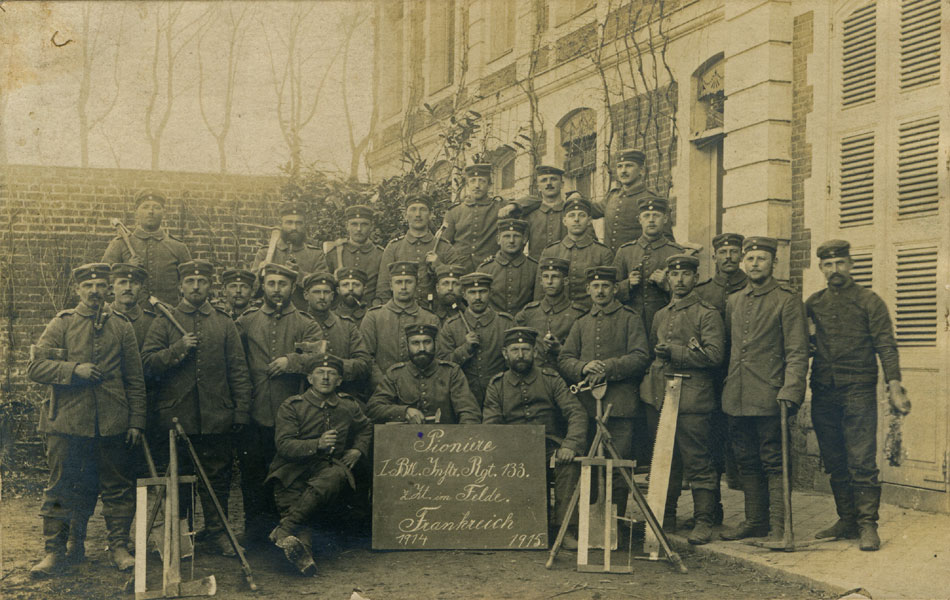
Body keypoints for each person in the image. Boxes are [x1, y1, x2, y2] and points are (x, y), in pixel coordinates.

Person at [28, 263, 146, 576]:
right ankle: (55, 551)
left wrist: (136, 421)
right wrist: (72, 369)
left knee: (117, 488)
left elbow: (135, 379)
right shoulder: (62, 323)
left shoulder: (121, 326)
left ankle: (118, 547)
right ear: (78, 290)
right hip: (66, 423)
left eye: (100, 287)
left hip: (112, 421)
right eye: (87, 287)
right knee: (61, 487)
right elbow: (35, 367)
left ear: (108, 290)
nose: (94, 292)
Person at [141, 260, 252, 556]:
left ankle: (218, 534)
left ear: (210, 286)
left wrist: (240, 411)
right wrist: (178, 349)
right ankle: (182, 537)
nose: (195, 286)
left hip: (216, 418)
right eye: (190, 281)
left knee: (217, 479)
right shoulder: (164, 321)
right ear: (180, 286)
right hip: (176, 418)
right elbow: (148, 365)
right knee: (179, 480)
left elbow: (238, 370)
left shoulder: (224, 322)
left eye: (202, 281)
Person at [806, 240, 910, 551]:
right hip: (823, 390)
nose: (834, 270)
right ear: (822, 268)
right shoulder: (813, 304)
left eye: (840, 263)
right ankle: (846, 520)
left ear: (850, 265)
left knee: (862, 459)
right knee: (834, 459)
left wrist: (894, 384)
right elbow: (802, 346)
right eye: (828, 265)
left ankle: (868, 525)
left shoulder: (870, 302)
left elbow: (886, 346)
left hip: (859, 390)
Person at [720, 237, 808, 543]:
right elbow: (731, 348)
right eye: (751, 258)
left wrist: (791, 389)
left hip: (772, 396)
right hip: (737, 396)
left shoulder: (787, 299)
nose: (755, 264)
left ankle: (778, 527)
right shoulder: (734, 300)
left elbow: (797, 350)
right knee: (746, 461)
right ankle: (755, 520)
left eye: (761, 258)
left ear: (774, 263)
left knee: (774, 461)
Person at [234, 262, 323, 544]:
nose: (276, 290)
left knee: (289, 474)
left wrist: (291, 361)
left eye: (282, 284)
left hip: (293, 413)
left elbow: (320, 357)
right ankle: (255, 530)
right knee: (253, 472)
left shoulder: (305, 323)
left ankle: (288, 530)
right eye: (271, 283)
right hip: (254, 409)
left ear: (292, 287)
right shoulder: (247, 321)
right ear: (263, 286)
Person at [639, 255, 725, 544]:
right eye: (674, 275)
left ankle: (704, 521)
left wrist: (676, 352)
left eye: (686, 274)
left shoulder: (707, 313)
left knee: (698, 460)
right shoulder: (662, 314)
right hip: (662, 395)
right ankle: (667, 515)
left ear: (695, 277)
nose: (679, 280)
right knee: (666, 458)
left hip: (693, 399)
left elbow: (714, 356)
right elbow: (654, 350)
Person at [267, 354, 372, 576]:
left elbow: (365, 427)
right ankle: (302, 555)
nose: (325, 378)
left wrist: (357, 449)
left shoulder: (348, 406)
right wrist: (318, 443)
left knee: (334, 475)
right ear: (309, 378)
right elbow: (283, 445)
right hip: (291, 471)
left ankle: (284, 529)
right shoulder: (292, 406)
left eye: (331, 373)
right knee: (298, 507)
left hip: (327, 470)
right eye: (320, 373)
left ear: (339, 381)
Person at [483, 327, 587, 549]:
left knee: (567, 466)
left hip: (549, 447)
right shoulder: (497, 385)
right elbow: (491, 425)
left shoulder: (551, 379)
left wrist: (570, 445)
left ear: (534, 352)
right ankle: (515, 528)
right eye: (515, 350)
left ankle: (565, 530)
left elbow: (576, 413)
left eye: (525, 349)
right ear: (505, 353)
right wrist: (503, 450)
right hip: (512, 448)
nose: (520, 355)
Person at [559, 266, 650, 519]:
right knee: (587, 467)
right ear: (588, 290)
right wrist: (583, 367)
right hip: (587, 408)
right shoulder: (581, 323)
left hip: (620, 407)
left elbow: (641, 356)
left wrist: (608, 368)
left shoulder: (629, 318)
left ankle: (615, 523)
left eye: (605, 286)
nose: (600, 291)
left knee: (617, 467)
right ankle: (587, 524)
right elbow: (565, 358)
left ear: (615, 289)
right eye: (595, 287)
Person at [694, 233, 747, 505]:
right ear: (714, 257)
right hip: (709, 379)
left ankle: (752, 513)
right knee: (709, 440)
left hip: (742, 376)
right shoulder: (702, 292)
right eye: (723, 251)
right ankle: (712, 509)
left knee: (743, 442)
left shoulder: (751, 287)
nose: (728, 257)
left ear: (742, 256)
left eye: (734, 251)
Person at [367, 324, 481, 425]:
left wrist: (463, 439)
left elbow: (470, 412)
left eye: (427, 342)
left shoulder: (451, 372)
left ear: (434, 344)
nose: (422, 348)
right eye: (415, 343)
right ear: (407, 346)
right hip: (405, 442)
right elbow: (373, 408)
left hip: (445, 443)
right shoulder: (395, 374)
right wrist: (404, 411)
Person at [102, 190, 191, 305]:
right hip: (129, 318)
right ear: (136, 212)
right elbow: (103, 282)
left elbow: (190, 285)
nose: (151, 211)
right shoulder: (119, 244)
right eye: (145, 207)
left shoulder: (178, 247)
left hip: (167, 318)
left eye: (156, 207)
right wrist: (126, 269)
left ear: (164, 212)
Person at [437, 272, 514, 405]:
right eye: (472, 292)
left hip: (501, 396)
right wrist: (465, 349)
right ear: (464, 295)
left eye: (482, 292)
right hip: (464, 397)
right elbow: (443, 365)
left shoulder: (506, 323)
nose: (478, 297)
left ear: (490, 293)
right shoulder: (451, 326)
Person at [361, 261, 440, 386]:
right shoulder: (373, 317)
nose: (403, 287)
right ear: (391, 285)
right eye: (398, 282)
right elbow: (366, 356)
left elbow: (436, 358)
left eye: (408, 282)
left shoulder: (430, 318)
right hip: (381, 387)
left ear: (416, 284)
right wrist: (383, 384)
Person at [613, 195, 684, 333]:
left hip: (666, 323)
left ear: (665, 219)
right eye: (646, 216)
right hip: (630, 323)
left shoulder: (676, 252)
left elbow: (688, 296)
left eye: (656, 215)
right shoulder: (625, 251)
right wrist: (627, 284)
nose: (651, 220)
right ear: (639, 220)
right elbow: (610, 290)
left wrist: (666, 285)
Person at [301, 272, 372, 403]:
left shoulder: (347, 326)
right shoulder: (298, 324)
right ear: (306, 295)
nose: (322, 297)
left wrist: (335, 367)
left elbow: (363, 364)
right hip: (305, 401)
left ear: (333, 296)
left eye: (326, 292)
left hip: (343, 399)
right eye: (316, 292)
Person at [536, 193, 613, 310]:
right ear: (564, 221)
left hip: (590, 314)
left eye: (581, 215)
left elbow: (608, 293)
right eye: (572, 215)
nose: (576, 219)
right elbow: (540, 291)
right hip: (558, 316)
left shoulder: (602, 252)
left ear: (589, 221)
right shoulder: (550, 251)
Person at [377, 196, 458, 304]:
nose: (418, 214)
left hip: (436, 312)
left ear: (431, 214)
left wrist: (439, 266)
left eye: (423, 209)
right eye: (413, 209)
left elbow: (458, 282)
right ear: (405, 215)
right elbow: (383, 287)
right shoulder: (394, 247)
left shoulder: (445, 248)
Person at [250, 201, 329, 310]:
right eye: (289, 222)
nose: (294, 227)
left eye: (299, 223)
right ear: (281, 224)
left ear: (304, 225)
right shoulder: (265, 253)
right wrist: (260, 274)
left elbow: (323, 289)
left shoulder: (315, 255)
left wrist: (299, 275)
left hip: (305, 315)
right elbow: (252, 292)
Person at [594, 148, 672, 253]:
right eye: (619, 166)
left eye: (629, 165)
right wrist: (574, 196)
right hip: (610, 264)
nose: (623, 171)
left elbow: (667, 240)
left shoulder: (652, 198)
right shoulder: (612, 196)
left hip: (636, 262)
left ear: (641, 170)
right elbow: (588, 210)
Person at [515, 257, 586, 370]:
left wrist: (560, 349)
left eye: (555, 277)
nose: (549, 281)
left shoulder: (578, 314)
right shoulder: (529, 312)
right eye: (545, 277)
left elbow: (586, 354)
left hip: (566, 377)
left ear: (566, 281)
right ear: (540, 281)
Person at [442, 163, 509, 272]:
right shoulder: (454, 211)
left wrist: (512, 206)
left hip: (489, 268)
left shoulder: (499, 207)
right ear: (467, 185)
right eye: (472, 181)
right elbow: (445, 245)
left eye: (482, 181)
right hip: (460, 269)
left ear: (489, 185)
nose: (477, 185)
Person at [325, 205, 384, 306]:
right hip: (339, 313)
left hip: (369, 312)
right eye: (354, 224)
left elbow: (383, 289)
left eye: (364, 224)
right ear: (347, 226)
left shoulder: (380, 255)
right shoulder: (334, 253)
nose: (359, 229)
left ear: (372, 226)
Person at [478, 218, 537, 314]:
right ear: (498, 240)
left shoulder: (534, 268)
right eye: (506, 236)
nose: (511, 241)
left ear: (524, 239)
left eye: (516, 236)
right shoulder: (485, 269)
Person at [108, 263, 155, 348]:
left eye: (134, 283)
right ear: (112, 289)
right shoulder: (101, 317)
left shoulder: (151, 322)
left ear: (141, 288)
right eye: (122, 282)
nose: (128, 288)